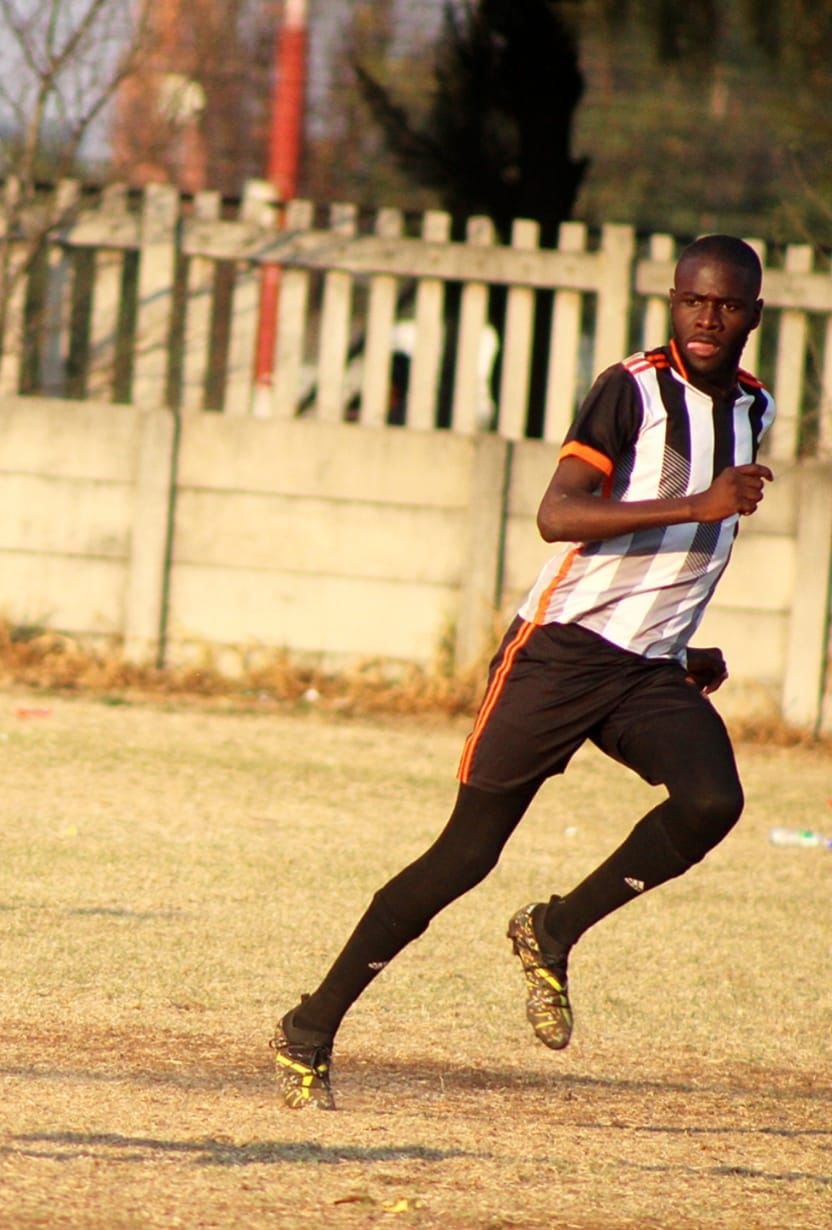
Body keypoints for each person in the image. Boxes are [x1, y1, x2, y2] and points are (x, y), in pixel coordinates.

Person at [270, 234, 775, 1110]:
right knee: (465, 855)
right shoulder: (631, 389)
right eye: (694, 301)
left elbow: (689, 547)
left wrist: (681, 641)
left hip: (647, 666)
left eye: (726, 305)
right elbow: (558, 515)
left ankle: (552, 929)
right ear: (672, 302)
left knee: (711, 802)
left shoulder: (753, 406)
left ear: (753, 317)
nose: (708, 318)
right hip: (561, 653)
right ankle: (309, 1027)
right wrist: (702, 501)